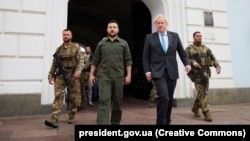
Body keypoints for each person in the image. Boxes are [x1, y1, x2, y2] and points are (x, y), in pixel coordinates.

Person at [142, 14, 191, 125]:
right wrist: (147, 71)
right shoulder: (150, 38)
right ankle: (160, 123)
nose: (160, 25)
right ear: (155, 25)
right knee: (163, 96)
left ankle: (167, 121)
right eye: (158, 23)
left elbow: (182, 53)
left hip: (172, 72)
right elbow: (145, 57)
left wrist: (187, 64)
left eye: (162, 22)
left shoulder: (174, 36)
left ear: (166, 24)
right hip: (157, 72)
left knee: (169, 99)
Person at [89, 20, 133, 125]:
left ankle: (115, 122)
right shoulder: (101, 43)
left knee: (118, 102)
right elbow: (95, 60)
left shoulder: (123, 43)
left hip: (118, 77)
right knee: (104, 101)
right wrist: (91, 74)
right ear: (107, 29)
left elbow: (128, 60)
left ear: (118, 29)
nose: (112, 29)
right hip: (104, 77)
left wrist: (129, 75)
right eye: (110, 27)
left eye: (114, 27)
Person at [45, 29, 84, 128]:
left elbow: (81, 61)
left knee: (73, 96)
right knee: (58, 95)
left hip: (73, 75)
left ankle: (71, 115)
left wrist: (78, 71)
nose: (66, 36)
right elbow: (54, 64)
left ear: (71, 36)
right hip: (61, 75)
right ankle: (54, 119)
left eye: (67, 34)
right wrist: (50, 75)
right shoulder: (58, 50)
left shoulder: (76, 48)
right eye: (64, 34)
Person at [185, 31, 221, 122]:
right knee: (203, 93)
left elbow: (213, 58)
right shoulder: (189, 49)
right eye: (197, 36)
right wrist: (192, 62)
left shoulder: (206, 48)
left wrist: (217, 66)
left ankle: (195, 108)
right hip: (196, 74)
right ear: (194, 37)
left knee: (203, 92)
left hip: (206, 74)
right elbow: (184, 58)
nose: (200, 37)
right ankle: (206, 112)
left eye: (201, 36)